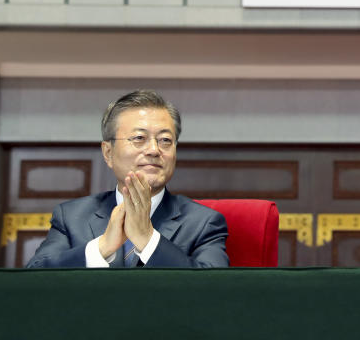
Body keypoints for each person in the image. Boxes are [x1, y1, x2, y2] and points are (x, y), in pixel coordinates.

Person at [27, 89, 230, 268]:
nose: (153, 150)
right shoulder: (71, 217)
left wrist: (149, 240)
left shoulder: (203, 223)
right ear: (108, 153)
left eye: (165, 140)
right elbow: (33, 281)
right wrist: (102, 247)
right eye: (139, 138)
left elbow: (214, 291)